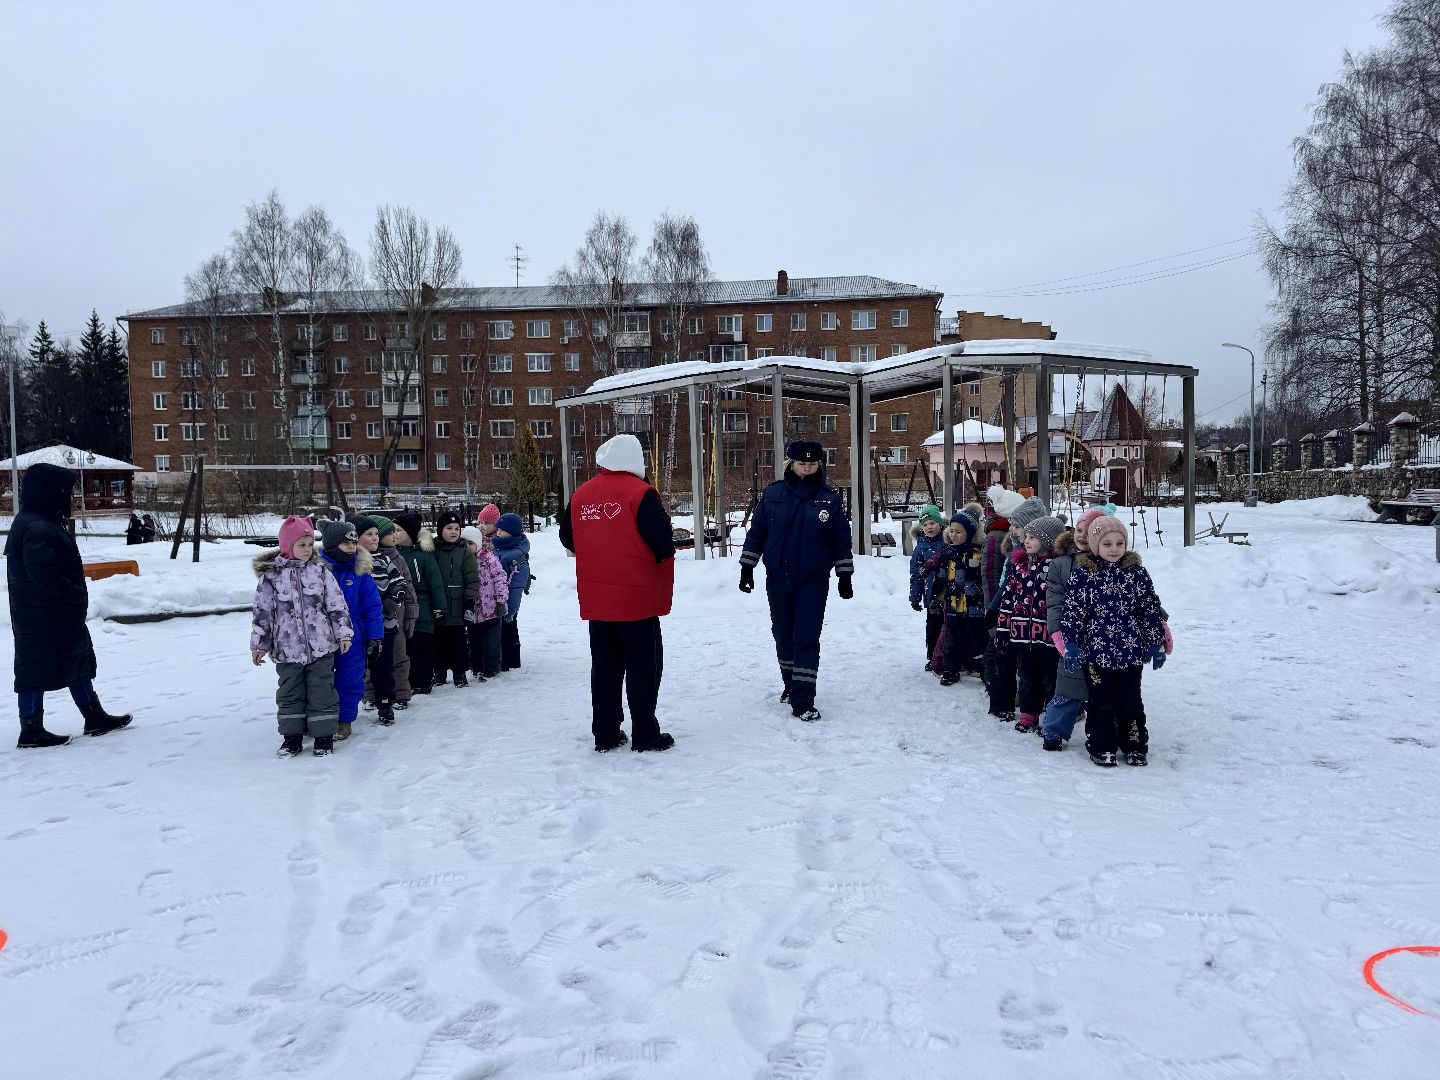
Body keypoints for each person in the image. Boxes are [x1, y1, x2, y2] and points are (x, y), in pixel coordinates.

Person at [560, 433, 677, 753]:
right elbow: (663, 543)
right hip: (637, 600)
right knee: (643, 668)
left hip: (598, 599)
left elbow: (567, 536)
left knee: (605, 668)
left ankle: (606, 733)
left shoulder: (583, 493)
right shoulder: (640, 493)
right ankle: (646, 734)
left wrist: (599, 552)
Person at [7, 463, 133, 748]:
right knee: (35, 670)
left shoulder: (40, 520)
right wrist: (73, 595)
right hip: (44, 616)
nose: (71, 498)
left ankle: (93, 716)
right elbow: (44, 576)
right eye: (66, 491)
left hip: (51, 615)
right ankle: (31, 729)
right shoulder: (37, 527)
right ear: (51, 492)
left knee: (75, 662)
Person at [738, 440, 853, 722]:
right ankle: (790, 684)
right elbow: (758, 531)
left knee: (807, 636)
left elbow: (841, 539)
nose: (807, 469)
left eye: (812, 464)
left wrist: (844, 575)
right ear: (791, 464)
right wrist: (747, 566)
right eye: (802, 464)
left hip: (813, 580)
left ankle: (803, 699)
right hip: (779, 577)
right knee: (782, 633)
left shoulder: (829, 499)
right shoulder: (773, 493)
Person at [1059, 515, 1171, 768]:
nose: (1114, 549)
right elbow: (1073, 612)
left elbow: (1149, 609)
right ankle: (1102, 746)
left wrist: (1155, 643)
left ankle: (1134, 745)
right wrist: (1071, 643)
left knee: (1131, 701)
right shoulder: (1084, 574)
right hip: (1095, 654)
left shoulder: (1136, 573)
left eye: (1120, 543)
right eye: (1107, 544)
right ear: (1095, 545)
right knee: (1101, 702)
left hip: (1131, 652)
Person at [250, 516, 353, 757]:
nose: (308, 549)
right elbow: (263, 613)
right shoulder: (271, 577)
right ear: (287, 545)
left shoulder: (320, 572)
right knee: (290, 692)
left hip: (321, 646)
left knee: (322, 691)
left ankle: (323, 736)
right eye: (302, 544)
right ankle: (292, 737)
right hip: (287, 649)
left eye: (310, 544)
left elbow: (337, 605)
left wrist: (343, 633)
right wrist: (259, 645)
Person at [1039, 508, 1106, 752]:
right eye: (1079, 530)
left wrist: (1159, 621)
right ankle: (1054, 731)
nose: (1082, 537)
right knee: (1068, 686)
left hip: (1107, 637)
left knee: (1106, 689)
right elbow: (1055, 602)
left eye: (1090, 532)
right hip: (1073, 636)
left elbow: (1138, 595)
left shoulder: (1112, 561)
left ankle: (1105, 732)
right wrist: (1057, 633)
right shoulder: (1061, 564)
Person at [996, 514, 1065, 733]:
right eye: (1026, 536)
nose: (1026, 541)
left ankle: (1051, 717)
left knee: (1051, 679)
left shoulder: (1057, 567)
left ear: (1047, 540)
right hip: (1022, 635)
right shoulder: (1019, 566)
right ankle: (1029, 713)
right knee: (1027, 677)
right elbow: (1008, 598)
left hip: (1049, 637)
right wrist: (1003, 629)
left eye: (1032, 537)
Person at [318, 521, 383, 741]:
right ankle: (320, 718)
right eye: (346, 543)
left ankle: (344, 719)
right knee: (320, 679)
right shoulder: (317, 571)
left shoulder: (360, 572)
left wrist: (375, 636)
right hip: (322, 636)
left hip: (354, 637)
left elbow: (372, 606)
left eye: (354, 543)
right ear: (332, 545)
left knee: (350, 677)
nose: (352, 547)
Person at [353, 514, 409, 726]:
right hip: (359, 627)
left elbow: (399, 584)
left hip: (385, 625)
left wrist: (392, 602)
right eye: (369, 534)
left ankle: (385, 704)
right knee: (358, 667)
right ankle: (358, 701)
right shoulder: (351, 562)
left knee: (384, 667)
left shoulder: (384, 560)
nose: (375, 538)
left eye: (377, 533)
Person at [926, 508, 987, 685]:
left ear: (970, 532)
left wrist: (986, 601)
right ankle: (950, 669)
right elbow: (941, 577)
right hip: (953, 605)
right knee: (951, 640)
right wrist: (936, 599)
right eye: (951, 531)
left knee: (976, 638)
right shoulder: (948, 551)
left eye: (959, 532)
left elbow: (984, 579)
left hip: (974, 606)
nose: (954, 535)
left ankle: (978, 667)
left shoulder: (978, 552)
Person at [393, 512, 445, 696]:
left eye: (399, 530)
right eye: (393, 530)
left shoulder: (423, 555)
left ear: (410, 533)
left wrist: (439, 606)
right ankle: (408, 681)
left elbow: (435, 582)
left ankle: (423, 682)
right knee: (406, 647)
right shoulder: (392, 555)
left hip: (423, 607)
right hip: (401, 607)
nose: (394, 534)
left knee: (422, 646)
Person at [370, 515, 419, 710]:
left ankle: (401, 693)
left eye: (395, 531)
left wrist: (411, 613)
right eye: (389, 533)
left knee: (399, 655)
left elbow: (408, 587)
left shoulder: (397, 558)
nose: (395, 536)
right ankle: (371, 695)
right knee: (371, 658)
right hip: (372, 619)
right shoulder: (364, 559)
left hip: (396, 616)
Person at [432, 511, 479, 686]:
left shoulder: (464, 552)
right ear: (440, 530)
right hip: (438, 606)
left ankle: (460, 673)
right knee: (438, 641)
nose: (453, 531)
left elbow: (472, 579)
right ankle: (439, 672)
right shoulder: (432, 550)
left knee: (458, 642)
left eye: (457, 528)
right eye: (449, 528)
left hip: (458, 606)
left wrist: (470, 602)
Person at [461, 525, 508, 680]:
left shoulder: (489, 560)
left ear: (478, 543)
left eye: (470, 543)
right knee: (474, 640)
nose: (467, 547)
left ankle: (492, 669)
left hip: (491, 609)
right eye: (464, 543)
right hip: (473, 611)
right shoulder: (463, 561)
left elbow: (500, 579)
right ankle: (476, 667)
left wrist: (501, 601)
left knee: (491, 642)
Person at [908, 504, 946, 672]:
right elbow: (916, 574)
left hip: (948, 594)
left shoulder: (947, 541)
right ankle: (932, 657)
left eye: (933, 523)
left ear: (940, 524)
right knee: (933, 628)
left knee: (949, 627)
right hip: (931, 596)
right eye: (925, 524)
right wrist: (915, 596)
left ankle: (949, 656)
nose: (929, 527)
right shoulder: (921, 547)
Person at [491, 512, 531, 671]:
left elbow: (517, 586)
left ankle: (511, 661)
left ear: (512, 532)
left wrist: (511, 609)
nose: (498, 532)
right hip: (494, 600)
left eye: (502, 530)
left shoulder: (516, 555)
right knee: (496, 632)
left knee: (509, 629)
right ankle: (499, 659)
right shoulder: (497, 547)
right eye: (498, 529)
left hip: (508, 603)